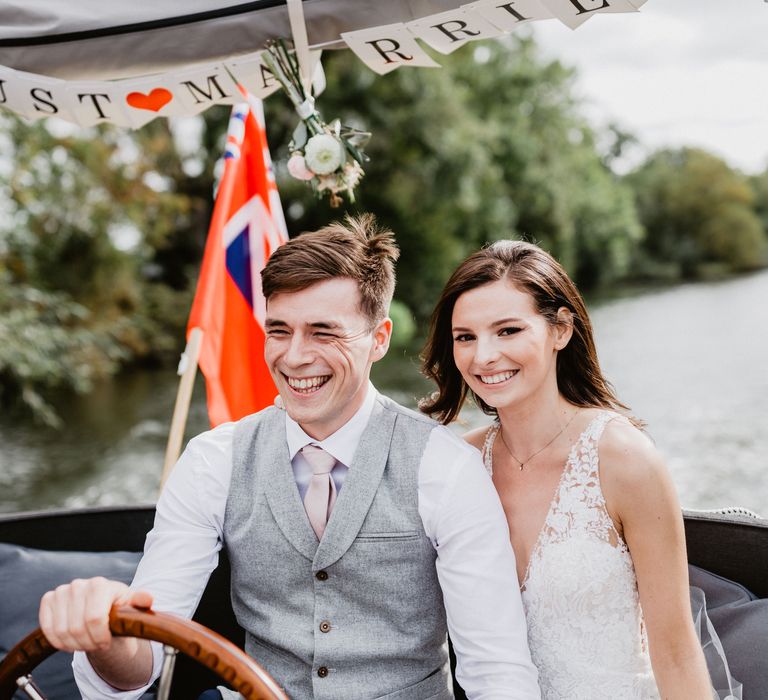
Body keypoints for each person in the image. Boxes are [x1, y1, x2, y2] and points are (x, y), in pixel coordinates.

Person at [38, 216, 541, 700]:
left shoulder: (445, 464)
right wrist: (109, 632)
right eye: (279, 330)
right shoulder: (213, 461)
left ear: (379, 340)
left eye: (323, 332)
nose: (294, 356)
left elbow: (497, 672)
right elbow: (136, 669)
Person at [420, 240, 715, 699]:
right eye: (465, 337)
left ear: (560, 330)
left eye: (508, 331)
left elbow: (675, 651)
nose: (483, 356)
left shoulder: (625, 461)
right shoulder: (457, 463)